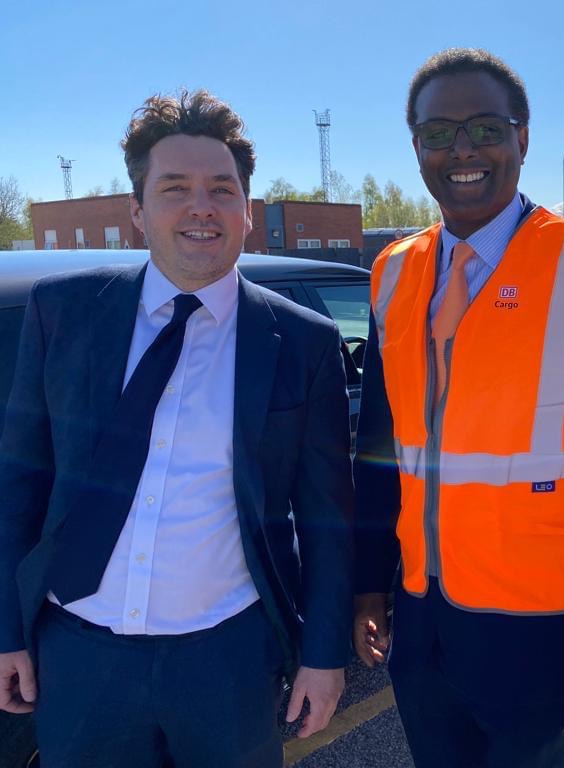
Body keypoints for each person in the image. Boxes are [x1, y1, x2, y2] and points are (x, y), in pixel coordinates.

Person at [353, 48, 564, 766]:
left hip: (547, 627)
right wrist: (367, 582)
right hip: (423, 620)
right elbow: (379, 448)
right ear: (415, 144)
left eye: (485, 127)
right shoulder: (393, 270)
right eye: (437, 133)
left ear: (523, 137)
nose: (462, 150)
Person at [0, 90, 353, 767]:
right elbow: (19, 483)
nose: (202, 207)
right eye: (175, 188)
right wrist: (7, 632)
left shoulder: (303, 342)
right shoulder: (63, 313)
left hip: (229, 663)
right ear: (137, 210)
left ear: (248, 212)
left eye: (223, 189)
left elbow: (326, 517)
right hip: (77, 656)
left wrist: (323, 656)